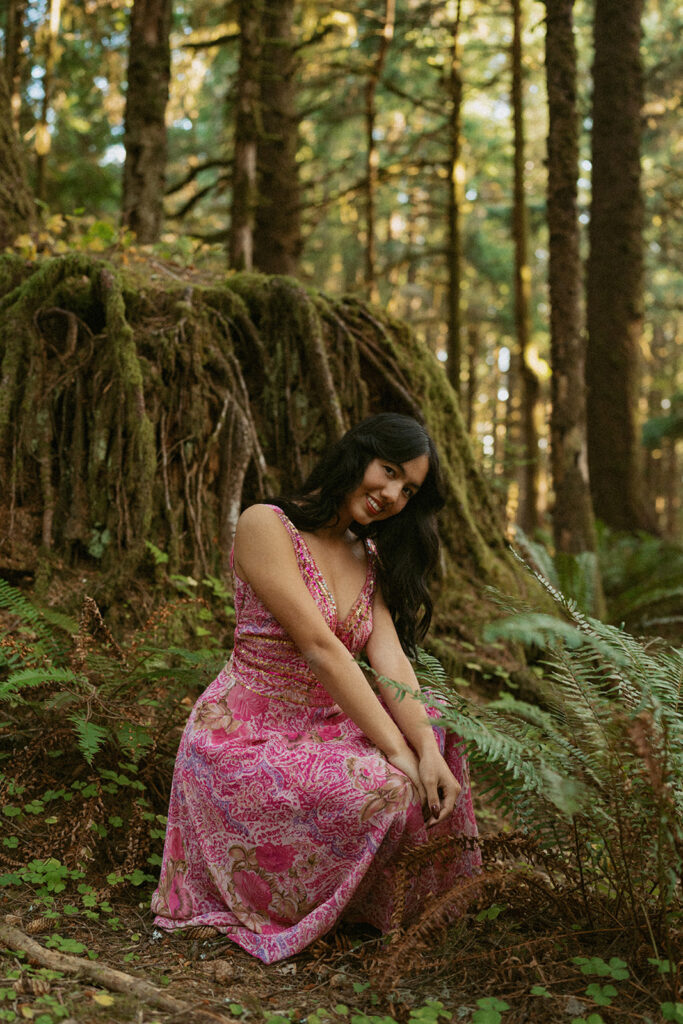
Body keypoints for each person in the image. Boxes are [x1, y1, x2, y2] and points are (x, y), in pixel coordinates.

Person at [151, 413, 480, 963]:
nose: (393, 495)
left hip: (328, 724)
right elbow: (320, 648)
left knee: (442, 733)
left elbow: (391, 659)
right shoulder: (265, 524)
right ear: (358, 454)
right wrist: (397, 753)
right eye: (389, 471)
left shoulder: (367, 554)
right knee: (392, 787)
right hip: (247, 734)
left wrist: (424, 748)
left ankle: (399, 908)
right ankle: (312, 904)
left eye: (408, 490)